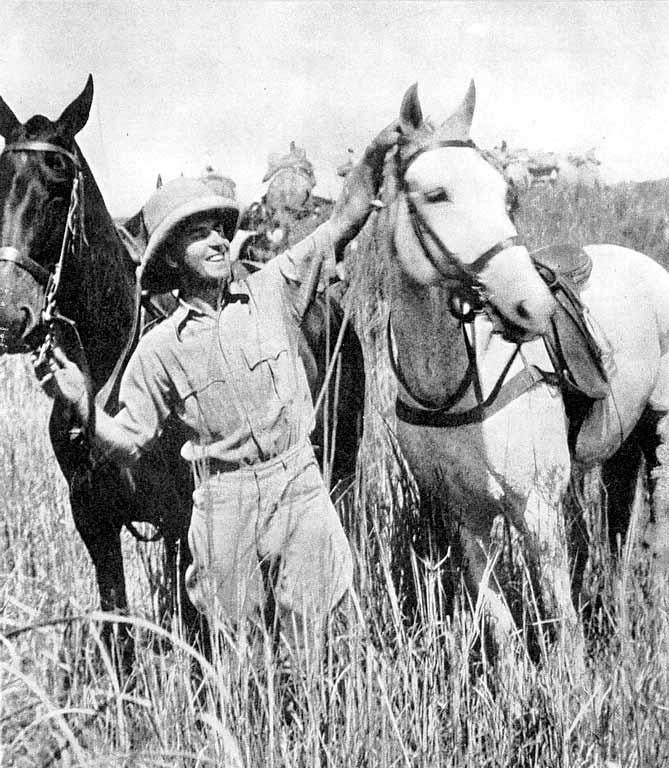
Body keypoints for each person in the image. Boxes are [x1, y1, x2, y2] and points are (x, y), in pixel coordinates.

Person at [33, 124, 398, 676]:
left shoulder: (274, 287)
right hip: (224, 504)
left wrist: (373, 154)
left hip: (297, 485)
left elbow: (342, 221)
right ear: (171, 259)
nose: (218, 241)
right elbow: (128, 441)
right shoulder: (157, 350)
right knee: (240, 660)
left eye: (220, 229)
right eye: (197, 233)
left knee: (314, 649)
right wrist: (83, 405)